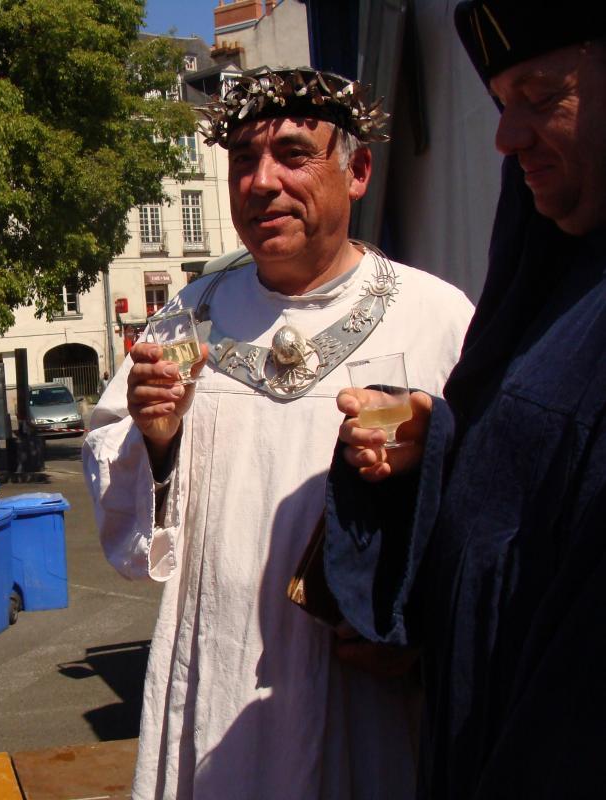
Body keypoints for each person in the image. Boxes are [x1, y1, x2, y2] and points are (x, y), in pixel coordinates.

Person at [83, 66, 474, 799]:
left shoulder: (437, 318)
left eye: (293, 155)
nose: (260, 183)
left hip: (371, 698)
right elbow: (126, 516)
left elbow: (490, 513)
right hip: (218, 686)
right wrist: (156, 441)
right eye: (241, 162)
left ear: (356, 172)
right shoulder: (183, 322)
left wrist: (420, 628)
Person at [328, 5, 606, 798]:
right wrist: (442, 438)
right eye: (500, 102)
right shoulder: (561, 278)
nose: (504, 136)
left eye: (542, 95)